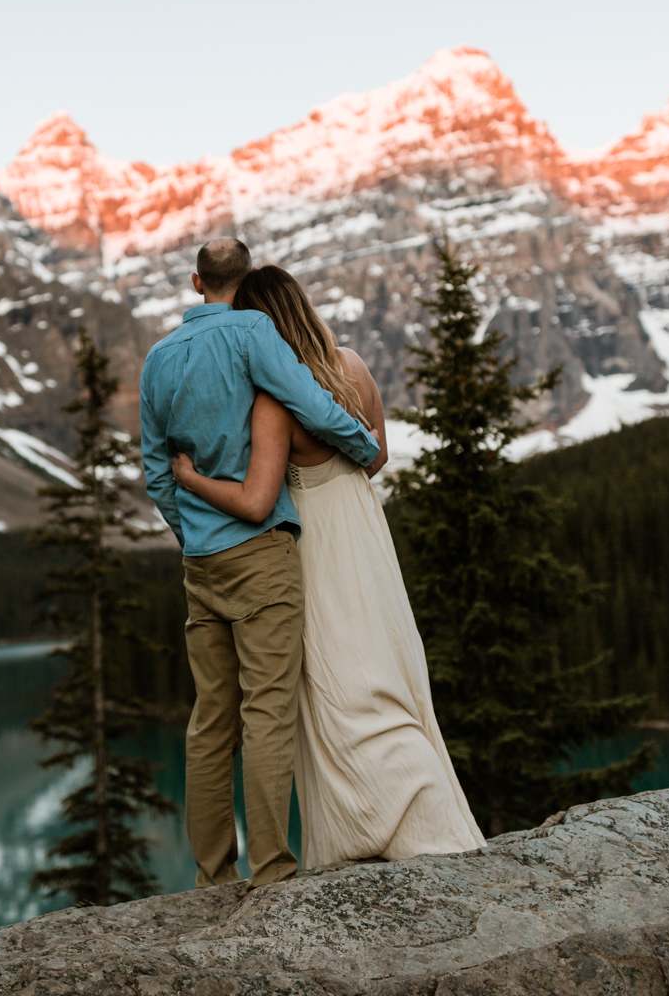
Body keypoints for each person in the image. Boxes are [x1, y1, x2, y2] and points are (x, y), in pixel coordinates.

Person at [169, 264, 485, 870]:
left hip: (311, 536)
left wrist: (190, 478)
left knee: (332, 676)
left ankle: (362, 826)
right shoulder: (353, 364)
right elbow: (378, 455)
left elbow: (258, 497)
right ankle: (422, 807)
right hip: (364, 527)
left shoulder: (274, 397)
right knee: (380, 659)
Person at [139, 239, 379, 887]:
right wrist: (361, 447)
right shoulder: (254, 331)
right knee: (267, 710)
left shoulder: (158, 358)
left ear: (195, 281)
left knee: (210, 718)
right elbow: (309, 402)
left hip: (202, 562)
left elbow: (157, 472)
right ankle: (272, 870)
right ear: (242, 280)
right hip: (262, 554)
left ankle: (214, 877)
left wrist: (191, 535)